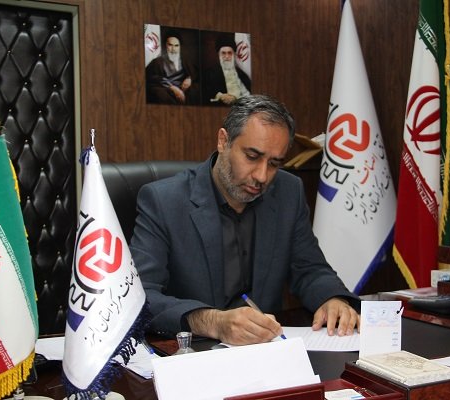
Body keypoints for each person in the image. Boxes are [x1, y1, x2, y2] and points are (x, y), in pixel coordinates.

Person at [130, 94, 360, 345]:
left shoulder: (288, 192)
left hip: (266, 348)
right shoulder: (164, 201)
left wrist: (332, 299)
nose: (262, 176)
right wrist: (213, 321)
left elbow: (309, 269)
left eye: (274, 163)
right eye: (252, 156)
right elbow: (140, 296)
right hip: (193, 350)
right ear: (223, 141)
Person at [145, 30, 200, 105]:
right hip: (166, 90)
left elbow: (196, 73)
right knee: (159, 93)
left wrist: (189, 79)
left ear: (180, 47)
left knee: (196, 89)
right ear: (165, 45)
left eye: (176, 45)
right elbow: (151, 77)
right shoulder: (157, 62)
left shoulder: (185, 61)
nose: (173, 49)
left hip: (184, 90)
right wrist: (172, 88)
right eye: (170, 45)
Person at [203, 34, 251, 105]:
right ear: (218, 54)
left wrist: (236, 99)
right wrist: (220, 96)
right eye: (223, 53)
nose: (227, 56)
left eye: (229, 53)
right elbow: (205, 93)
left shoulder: (243, 75)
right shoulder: (208, 74)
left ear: (234, 55)